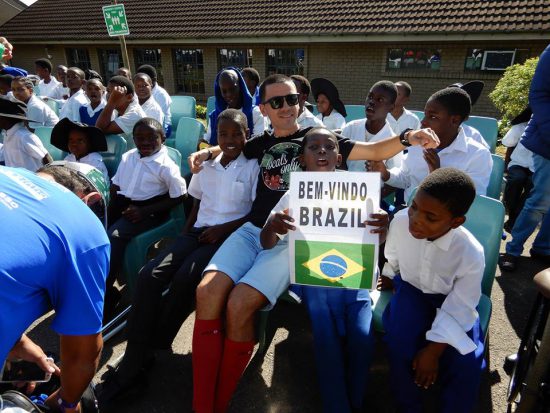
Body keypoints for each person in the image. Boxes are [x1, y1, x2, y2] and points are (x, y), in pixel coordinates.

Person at [189, 74, 440, 413]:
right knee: (206, 292)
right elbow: (231, 144)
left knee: (238, 304)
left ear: (301, 102)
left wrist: (410, 136)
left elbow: (378, 150)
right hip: (254, 229)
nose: (286, 107)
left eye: (291, 100)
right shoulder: (259, 142)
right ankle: (202, 402)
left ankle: (218, 401)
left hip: (294, 242)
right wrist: (207, 153)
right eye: (276, 102)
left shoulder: (319, 138)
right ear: (262, 108)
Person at [97, 109, 259, 405]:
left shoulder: (252, 166)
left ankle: (153, 345)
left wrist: (222, 229)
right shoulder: (206, 165)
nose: (231, 139)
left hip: (227, 235)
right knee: (149, 275)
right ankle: (138, 350)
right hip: (196, 231)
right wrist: (185, 235)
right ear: (215, 136)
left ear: (247, 133)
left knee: (186, 277)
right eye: (223, 134)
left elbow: (253, 213)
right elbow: (196, 202)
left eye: (237, 133)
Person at [261, 127, 388, 413]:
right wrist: (273, 226)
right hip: (314, 278)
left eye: (329, 146)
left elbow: (376, 239)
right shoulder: (293, 194)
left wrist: (383, 228)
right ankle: (338, 405)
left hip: (355, 278)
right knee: (325, 335)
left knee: (362, 336)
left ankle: (354, 398)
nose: (321, 151)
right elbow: (266, 243)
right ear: (302, 159)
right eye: (313, 147)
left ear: (339, 157)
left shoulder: (359, 189)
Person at [0, 163, 110, 413]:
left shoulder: (5, 173)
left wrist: (16, 342)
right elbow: (82, 355)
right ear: (90, 200)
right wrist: (66, 402)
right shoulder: (85, 228)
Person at [379, 168, 485, 413]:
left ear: (456, 221)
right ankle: (408, 405)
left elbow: (462, 305)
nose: (415, 219)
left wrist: (433, 351)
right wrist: (390, 275)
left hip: (451, 303)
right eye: (414, 206)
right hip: (411, 291)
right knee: (400, 343)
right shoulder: (401, 220)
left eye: (431, 217)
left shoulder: (470, 252)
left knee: (467, 363)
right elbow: (392, 255)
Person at [104, 117, 187, 319]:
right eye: (139, 138)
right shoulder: (129, 156)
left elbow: (180, 195)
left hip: (152, 210)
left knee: (114, 236)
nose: (145, 142)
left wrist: (145, 211)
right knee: (96, 230)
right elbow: (116, 185)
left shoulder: (165, 165)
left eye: (152, 138)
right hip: (126, 203)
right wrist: (108, 209)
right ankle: (97, 280)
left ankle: (106, 296)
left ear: (163, 138)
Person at [370, 87, 493, 201]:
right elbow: (406, 178)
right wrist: (386, 173)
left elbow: (472, 202)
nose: (423, 122)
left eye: (433, 117)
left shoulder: (477, 155)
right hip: (408, 213)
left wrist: (437, 176)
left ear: (454, 120)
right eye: (425, 115)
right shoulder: (418, 144)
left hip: (443, 223)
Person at [500, 44, 550, 271]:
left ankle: (543, 248)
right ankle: (513, 249)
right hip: (546, 142)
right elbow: (540, 94)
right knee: (538, 200)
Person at [343, 80, 401, 173]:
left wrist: (383, 172)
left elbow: (395, 181)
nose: (371, 102)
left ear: (391, 108)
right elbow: (339, 161)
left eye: (380, 100)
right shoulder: (351, 128)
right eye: (370, 97)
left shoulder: (393, 142)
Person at [204, 68, 264, 144]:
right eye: (224, 91)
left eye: (232, 89)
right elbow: (207, 140)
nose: (228, 94)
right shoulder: (214, 116)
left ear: (241, 87)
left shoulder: (255, 113)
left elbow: (259, 144)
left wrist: (212, 150)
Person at [501, 107, 534, 232]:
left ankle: (515, 219)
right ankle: (512, 214)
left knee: (533, 185)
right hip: (518, 163)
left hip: (536, 167)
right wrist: (506, 164)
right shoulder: (521, 127)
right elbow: (508, 144)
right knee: (516, 179)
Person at [0, 97, 52, 171]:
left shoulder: (25, 136)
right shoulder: (6, 135)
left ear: (4, 119)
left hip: (31, 180)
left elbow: (47, 158)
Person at [51, 117, 110, 182]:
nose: (74, 144)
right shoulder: (69, 159)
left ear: (89, 144)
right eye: (71, 140)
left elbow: (94, 185)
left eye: (80, 140)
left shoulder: (96, 163)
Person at [135, 65, 171, 137]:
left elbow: (159, 118)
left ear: (153, 80)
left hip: (163, 125)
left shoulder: (161, 94)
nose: (141, 88)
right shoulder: (136, 93)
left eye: (144, 84)